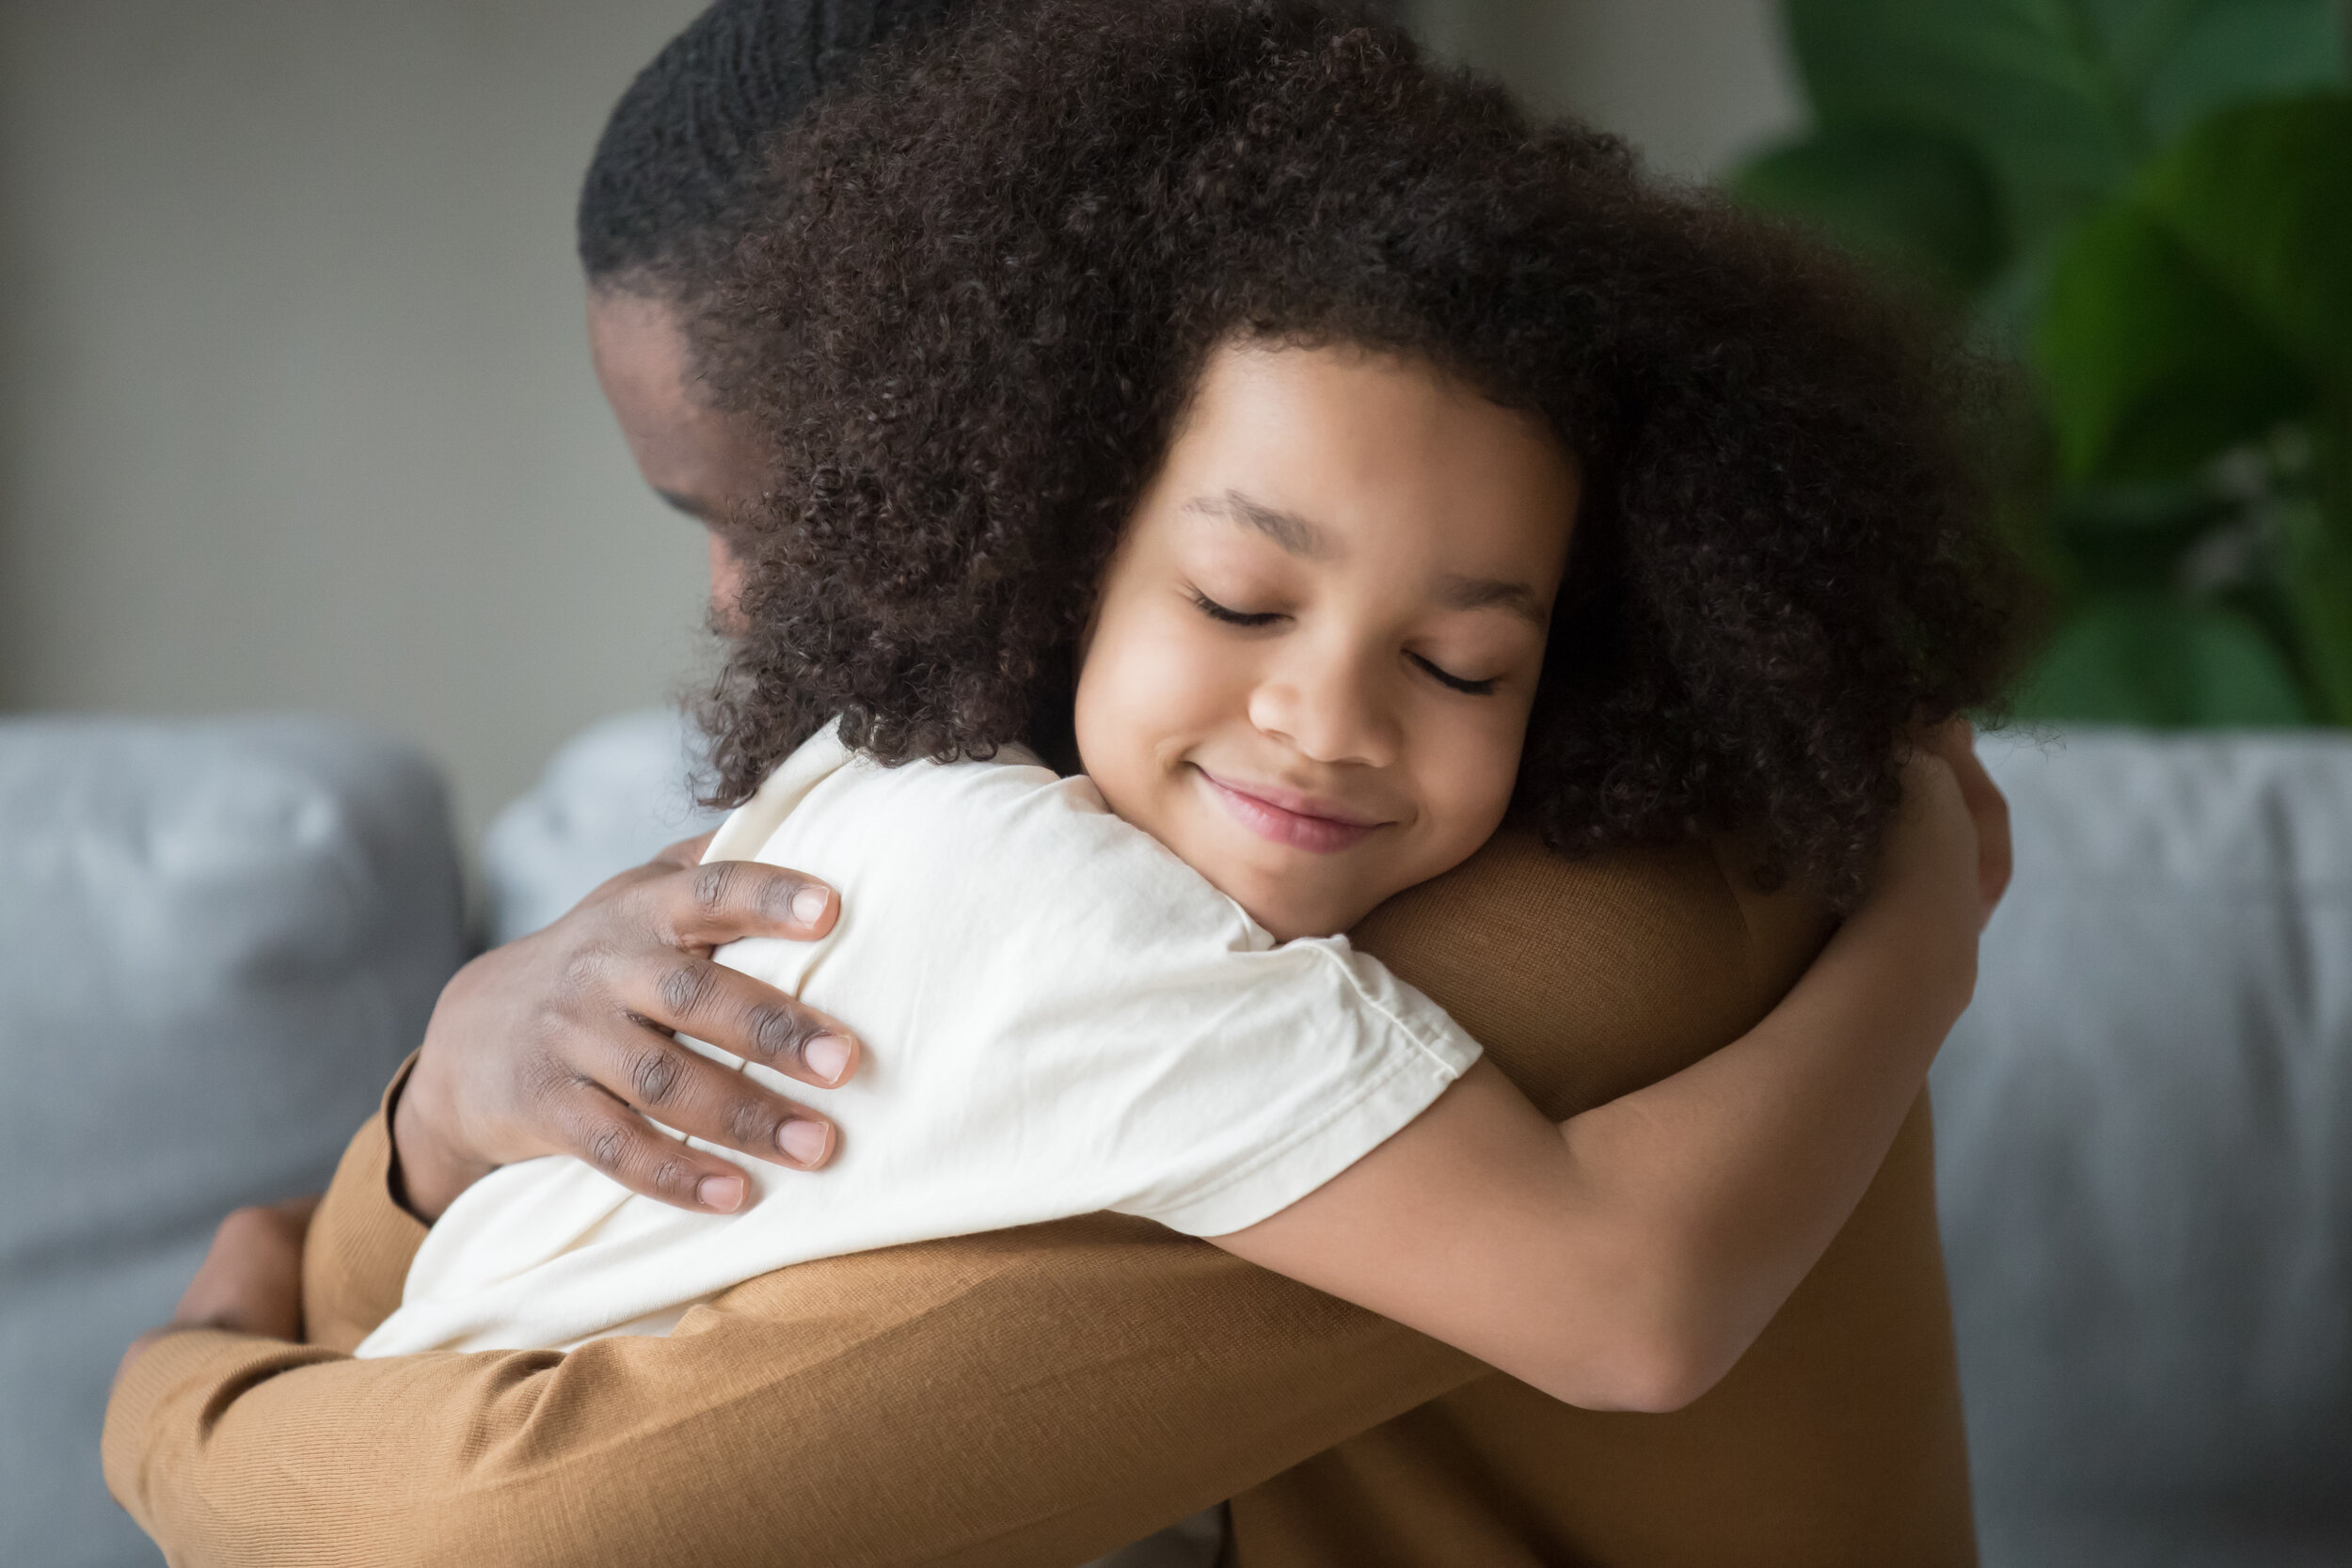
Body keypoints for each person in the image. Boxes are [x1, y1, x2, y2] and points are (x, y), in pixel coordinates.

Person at [104, 2, 2014, 1562]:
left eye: (787, 495)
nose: (745, 595)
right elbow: (427, 1290)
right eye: (697, 515)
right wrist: (442, 1112)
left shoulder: (1534, 925)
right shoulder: (1041, 814)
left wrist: (177, 1387)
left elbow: (518, 1533)